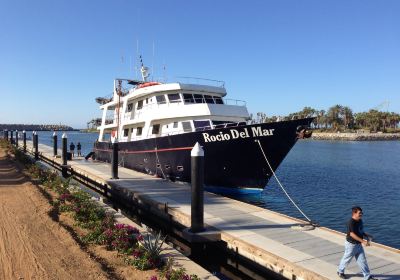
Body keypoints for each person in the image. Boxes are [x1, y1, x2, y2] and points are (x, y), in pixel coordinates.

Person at [337, 206, 377, 280]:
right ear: (354, 213)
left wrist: (366, 235)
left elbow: (360, 231)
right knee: (347, 259)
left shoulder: (360, 221)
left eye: (361, 213)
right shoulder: (351, 222)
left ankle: (367, 276)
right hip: (351, 245)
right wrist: (363, 241)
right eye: (360, 213)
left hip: (358, 244)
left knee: (362, 261)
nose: (361, 214)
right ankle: (340, 271)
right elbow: (352, 234)